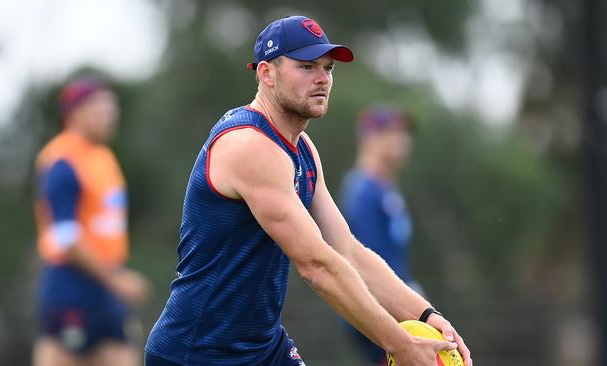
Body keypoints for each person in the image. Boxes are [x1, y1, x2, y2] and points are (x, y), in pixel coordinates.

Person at [145, 15, 472, 366]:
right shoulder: (248, 146)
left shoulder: (302, 148)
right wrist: (399, 342)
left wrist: (426, 316)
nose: (322, 79)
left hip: (262, 348)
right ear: (266, 73)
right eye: (306, 66)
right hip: (197, 353)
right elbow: (316, 264)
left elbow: (347, 250)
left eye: (328, 68)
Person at [32, 78, 150, 366]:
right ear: (75, 112)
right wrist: (117, 280)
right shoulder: (62, 160)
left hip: (105, 288)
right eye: (100, 107)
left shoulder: (103, 157)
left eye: (112, 106)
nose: (110, 113)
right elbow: (65, 238)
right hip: (72, 286)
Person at [340, 104, 421, 365]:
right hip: (379, 314)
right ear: (369, 138)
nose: (401, 139)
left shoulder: (385, 189)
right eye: (390, 132)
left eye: (403, 132)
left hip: (398, 309)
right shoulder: (364, 192)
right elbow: (367, 261)